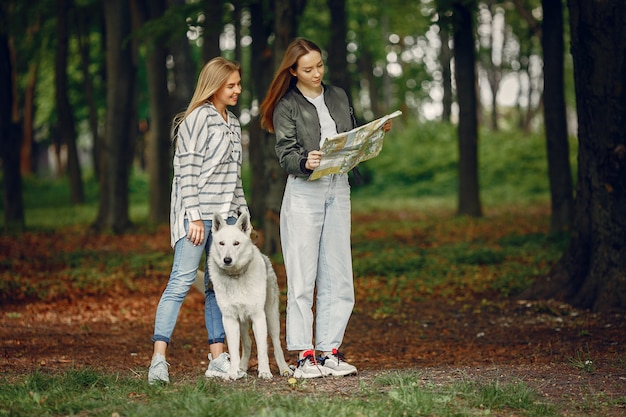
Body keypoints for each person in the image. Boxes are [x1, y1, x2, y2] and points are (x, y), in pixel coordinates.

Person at [259, 38, 392, 379]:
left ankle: (329, 350)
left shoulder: (337, 95)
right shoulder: (286, 105)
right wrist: (306, 160)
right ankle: (304, 356)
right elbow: (285, 153)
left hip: (339, 188)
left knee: (339, 274)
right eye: (308, 69)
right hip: (305, 192)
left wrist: (373, 133)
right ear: (293, 71)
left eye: (319, 65)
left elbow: (350, 137)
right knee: (303, 276)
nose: (316, 73)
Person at [148, 57, 249, 384]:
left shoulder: (233, 123)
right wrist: (193, 217)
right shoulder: (197, 119)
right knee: (180, 281)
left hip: (226, 219)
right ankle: (158, 360)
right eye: (231, 85)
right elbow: (186, 172)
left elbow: (236, 178)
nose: (237, 90)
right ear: (215, 85)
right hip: (196, 216)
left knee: (217, 287)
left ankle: (218, 359)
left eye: (238, 84)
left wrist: (243, 219)